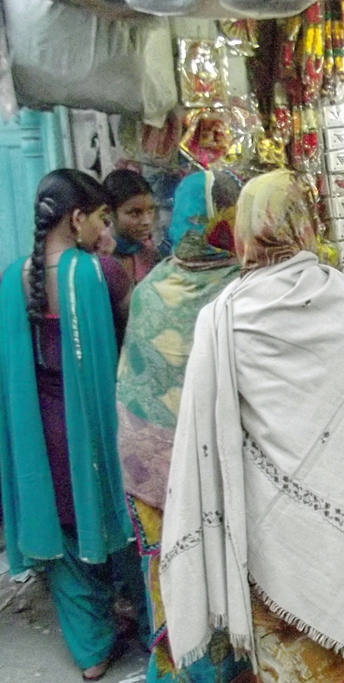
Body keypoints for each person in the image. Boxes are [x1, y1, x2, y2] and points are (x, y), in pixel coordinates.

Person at [159, 170, 344, 683]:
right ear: (305, 223)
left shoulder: (222, 317)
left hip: (269, 545)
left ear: (241, 231)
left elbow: (202, 439)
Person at [0, 169, 136, 680]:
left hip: (39, 437)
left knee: (66, 542)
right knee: (123, 531)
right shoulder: (101, 274)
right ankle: (149, 625)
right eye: (101, 218)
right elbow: (136, 344)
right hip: (98, 432)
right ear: (77, 218)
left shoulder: (11, 279)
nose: (105, 229)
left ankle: (91, 651)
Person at [116, 170, 248, 683]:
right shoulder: (246, 291)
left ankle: (182, 669)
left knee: (177, 573)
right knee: (228, 573)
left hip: (156, 475)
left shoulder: (152, 291)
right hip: (227, 472)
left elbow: (137, 391)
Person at [103, 168, 160, 286]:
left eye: (150, 210)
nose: (147, 221)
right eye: (135, 213)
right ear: (109, 213)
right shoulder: (97, 260)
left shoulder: (149, 254)